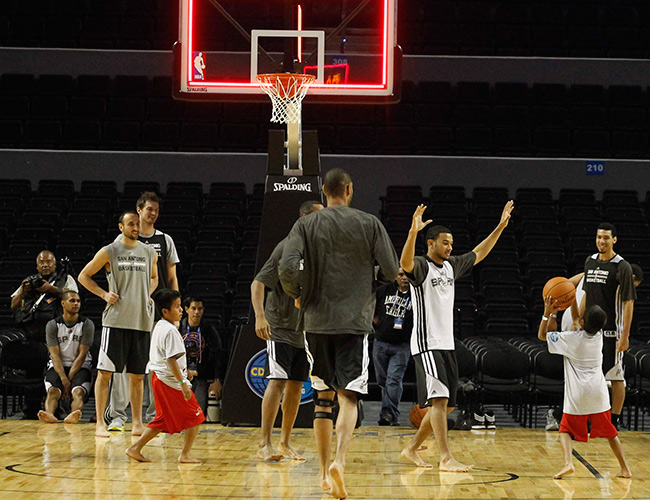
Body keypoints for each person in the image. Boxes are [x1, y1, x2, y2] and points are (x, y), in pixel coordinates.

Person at [279, 169, 399, 499]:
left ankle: (321, 472)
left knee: (322, 397)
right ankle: (340, 463)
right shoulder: (369, 223)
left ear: (322, 191)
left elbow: (286, 268)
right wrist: (369, 279)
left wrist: (298, 291)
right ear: (348, 189)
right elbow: (391, 270)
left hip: (315, 321)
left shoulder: (305, 224)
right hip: (353, 321)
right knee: (349, 396)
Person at [399, 202, 514, 471]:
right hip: (427, 344)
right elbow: (404, 263)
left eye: (451, 244)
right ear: (431, 243)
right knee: (439, 401)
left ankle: (412, 448)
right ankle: (446, 458)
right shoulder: (421, 266)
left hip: (446, 343)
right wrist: (412, 232)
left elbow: (479, 253)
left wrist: (500, 226)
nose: (450, 247)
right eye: (445, 243)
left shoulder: (451, 266)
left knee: (446, 405)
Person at [251, 199, 324, 462]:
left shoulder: (317, 251)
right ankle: (264, 443)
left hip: (303, 329)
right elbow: (258, 282)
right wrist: (260, 316)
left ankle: (284, 442)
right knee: (278, 381)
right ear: (304, 218)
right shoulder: (286, 247)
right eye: (318, 216)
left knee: (296, 387)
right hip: (280, 325)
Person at [78, 211, 158, 437]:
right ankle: (100, 424)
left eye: (137, 224)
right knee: (105, 373)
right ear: (120, 227)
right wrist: (104, 294)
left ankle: (137, 422)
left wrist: (146, 293)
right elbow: (84, 276)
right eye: (131, 224)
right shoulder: (110, 251)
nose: (136, 227)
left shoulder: (149, 252)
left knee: (137, 375)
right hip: (115, 321)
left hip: (141, 321)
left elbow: (154, 278)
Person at [106, 191, 181, 431]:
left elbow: (171, 277)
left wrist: (175, 308)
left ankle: (153, 416)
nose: (153, 214)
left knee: (154, 363)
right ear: (138, 211)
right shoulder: (121, 242)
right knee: (120, 365)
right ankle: (117, 415)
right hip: (125, 310)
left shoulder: (164, 240)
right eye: (149, 209)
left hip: (154, 311)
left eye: (156, 210)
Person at [538, 296, 632, 479]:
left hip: (578, 393)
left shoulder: (571, 339)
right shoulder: (599, 337)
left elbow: (543, 335)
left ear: (582, 321)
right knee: (611, 433)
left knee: (565, 430)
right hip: (599, 392)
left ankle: (568, 463)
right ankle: (625, 468)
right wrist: (572, 304)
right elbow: (578, 321)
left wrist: (549, 313)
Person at [126, 288, 205, 463]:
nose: (181, 310)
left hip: (159, 378)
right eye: (177, 307)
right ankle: (185, 454)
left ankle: (135, 448)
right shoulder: (170, 331)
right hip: (169, 381)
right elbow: (170, 360)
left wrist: (185, 373)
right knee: (196, 416)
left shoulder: (160, 326)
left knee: (162, 420)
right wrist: (182, 382)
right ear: (165, 311)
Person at [9, 250, 78, 419]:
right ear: (37, 265)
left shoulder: (65, 278)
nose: (45, 265)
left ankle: (59, 411)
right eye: (41, 262)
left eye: (48, 262)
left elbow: (74, 299)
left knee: (57, 374)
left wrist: (51, 289)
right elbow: (13, 304)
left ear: (55, 264)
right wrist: (24, 291)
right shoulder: (30, 281)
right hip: (33, 336)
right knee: (32, 374)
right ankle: (31, 410)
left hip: (58, 337)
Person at [581, 223, 636, 429]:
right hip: (590, 330)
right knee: (590, 376)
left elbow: (628, 302)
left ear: (614, 240)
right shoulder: (590, 261)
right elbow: (586, 292)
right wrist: (580, 316)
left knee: (615, 375)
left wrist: (625, 335)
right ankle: (590, 418)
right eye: (598, 237)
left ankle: (614, 419)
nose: (601, 241)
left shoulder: (622, 266)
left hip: (612, 331)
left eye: (606, 238)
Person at [38, 290, 94, 424]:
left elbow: (82, 354)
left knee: (78, 392)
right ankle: (50, 415)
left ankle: (73, 415)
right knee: (53, 392)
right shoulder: (53, 325)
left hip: (81, 365)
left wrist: (69, 379)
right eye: (72, 301)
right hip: (58, 366)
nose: (76, 304)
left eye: (78, 301)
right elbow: (54, 355)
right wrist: (63, 379)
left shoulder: (87, 324)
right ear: (63, 303)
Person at [372, 267, 413, 426]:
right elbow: (373, 310)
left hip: (401, 345)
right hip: (381, 342)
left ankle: (388, 414)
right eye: (401, 275)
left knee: (393, 380)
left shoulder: (416, 295)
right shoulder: (384, 291)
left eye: (407, 275)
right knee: (383, 381)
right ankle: (392, 413)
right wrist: (380, 325)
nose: (404, 278)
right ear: (395, 276)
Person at [180, 295, 227, 415]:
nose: (197, 312)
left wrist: (217, 380)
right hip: (182, 376)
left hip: (202, 376)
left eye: (200, 309)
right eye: (193, 308)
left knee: (197, 413)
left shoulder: (209, 329)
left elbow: (218, 354)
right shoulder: (179, 328)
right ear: (186, 309)